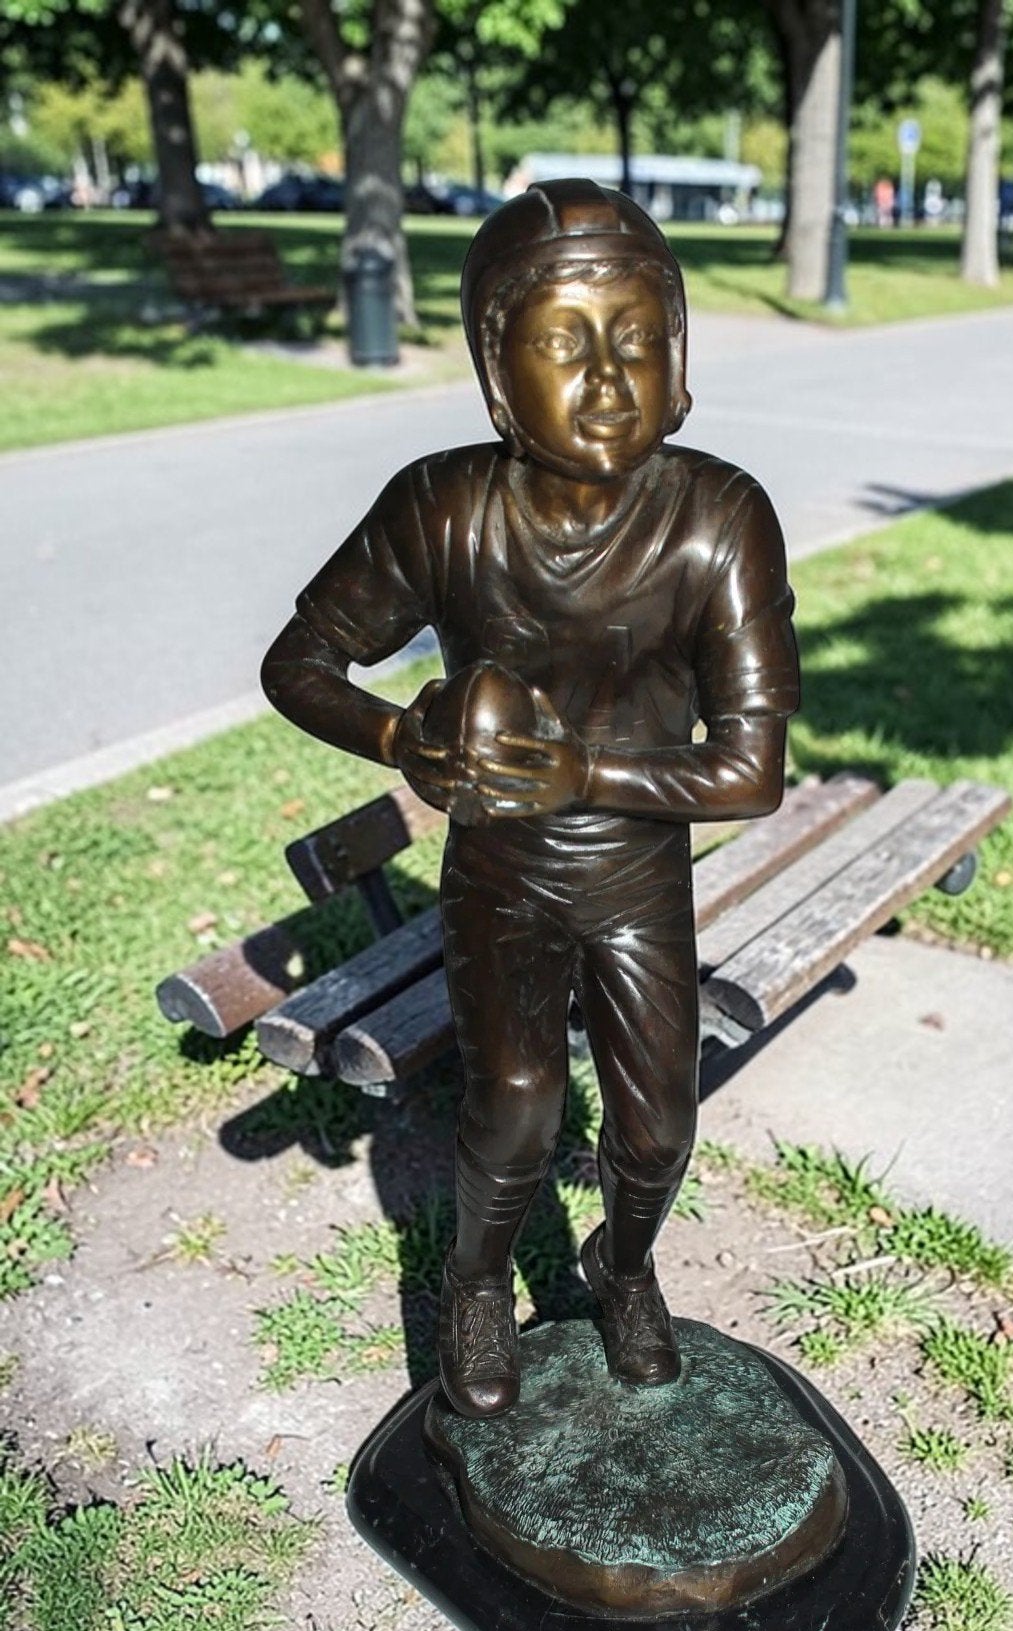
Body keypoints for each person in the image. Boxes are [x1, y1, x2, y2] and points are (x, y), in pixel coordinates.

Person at [260, 181, 799, 1419]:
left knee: (659, 1127)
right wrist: (398, 731)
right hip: (499, 869)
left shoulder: (717, 520)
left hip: (634, 867)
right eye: (563, 342)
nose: (608, 377)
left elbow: (748, 770)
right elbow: (299, 664)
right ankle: (475, 1282)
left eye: (638, 336)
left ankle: (621, 1266)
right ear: (497, 378)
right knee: (512, 1111)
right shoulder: (444, 507)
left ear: (680, 365)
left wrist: (581, 775)